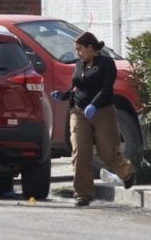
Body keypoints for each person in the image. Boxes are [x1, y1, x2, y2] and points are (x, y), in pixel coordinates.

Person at [51, 32, 135, 207]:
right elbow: (76, 86)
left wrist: (95, 104)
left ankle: (127, 173)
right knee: (80, 152)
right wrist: (63, 95)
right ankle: (83, 193)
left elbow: (106, 88)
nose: (78, 53)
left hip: (103, 111)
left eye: (80, 49)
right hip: (79, 112)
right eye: (76, 50)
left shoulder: (106, 63)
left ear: (90, 47)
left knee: (107, 153)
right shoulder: (79, 65)